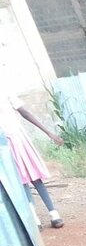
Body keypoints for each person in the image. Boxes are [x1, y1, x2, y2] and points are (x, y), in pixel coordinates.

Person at [1, 93, 64, 228]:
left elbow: (25, 113)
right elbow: (25, 113)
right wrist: (48, 132)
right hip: (9, 142)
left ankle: (42, 217)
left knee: (23, 180)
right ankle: (48, 216)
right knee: (27, 179)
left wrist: (49, 132)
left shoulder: (5, 92)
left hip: (13, 141)